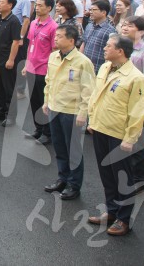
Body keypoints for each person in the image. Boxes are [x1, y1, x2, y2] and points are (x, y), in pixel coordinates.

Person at [86, 35, 144, 236]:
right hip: (101, 128)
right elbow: (96, 95)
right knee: (107, 175)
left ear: (120, 51)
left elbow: (139, 111)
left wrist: (131, 138)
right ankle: (111, 211)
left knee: (123, 177)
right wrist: (92, 119)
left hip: (119, 134)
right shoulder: (106, 67)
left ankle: (124, 219)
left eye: (108, 46)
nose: (104, 48)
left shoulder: (136, 78)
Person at [43, 24, 95, 201]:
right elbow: (49, 81)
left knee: (73, 149)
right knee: (59, 147)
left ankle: (74, 184)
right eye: (55, 36)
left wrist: (83, 113)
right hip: (55, 107)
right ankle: (62, 178)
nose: (55, 38)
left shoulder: (83, 62)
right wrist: (46, 101)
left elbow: (88, 90)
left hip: (72, 111)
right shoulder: (53, 57)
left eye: (59, 36)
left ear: (71, 40)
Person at [23, 0, 58, 144]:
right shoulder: (33, 23)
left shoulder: (53, 27)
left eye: (41, 5)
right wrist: (26, 64)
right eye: (36, 5)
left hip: (44, 70)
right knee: (34, 101)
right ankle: (38, 128)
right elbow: (30, 45)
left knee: (44, 103)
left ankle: (47, 132)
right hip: (31, 68)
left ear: (49, 8)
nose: (37, 8)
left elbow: (55, 51)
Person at [0, 0, 23, 125]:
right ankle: (0, 110)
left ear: (10, 5)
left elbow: (15, 42)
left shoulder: (14, 21)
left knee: (9, 88)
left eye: (2, 2)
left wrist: (11, 60)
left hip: (6, 58)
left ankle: (11, 115)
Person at [81, 0, 116, 74]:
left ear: (103, 12)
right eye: (90, 10)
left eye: (94, 10)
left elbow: (111, 51)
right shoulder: (89, 26)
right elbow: (84, 43)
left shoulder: (110, 30)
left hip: (99, 69)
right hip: (84, 67)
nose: (91, 12)